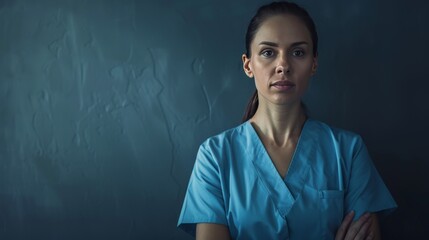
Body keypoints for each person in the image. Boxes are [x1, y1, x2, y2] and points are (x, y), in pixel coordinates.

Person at [177, 1, 397, 239]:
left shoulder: (349, 151)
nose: (283, 65)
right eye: (268, 52)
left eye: (298, 52)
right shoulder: (215, 157)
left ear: (313, 63)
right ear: (248, 64)